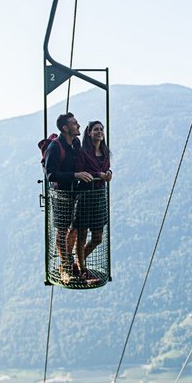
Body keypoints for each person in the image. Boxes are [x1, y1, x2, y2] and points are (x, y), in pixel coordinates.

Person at [44, 112, 92, 283]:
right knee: (62, 230)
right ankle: (65, 266)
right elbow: (50, 175)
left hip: (74, 194)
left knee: (75, 229)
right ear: (65, 128)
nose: (78, 126)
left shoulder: (75, 143)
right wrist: (75, 175)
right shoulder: (56, 147)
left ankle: (68, 262)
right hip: (61, 195)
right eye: (74, 123)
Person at [75, 120, 112, 280]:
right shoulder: (83, 152)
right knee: (82, 234)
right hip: (85, 196)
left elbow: (106, 169)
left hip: (99, 196)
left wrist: (109, 173)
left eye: (101, 129)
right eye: (96, 129)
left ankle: (78, 263)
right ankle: (82, 269)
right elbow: (80, 171)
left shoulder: (105, 153)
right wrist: (99, 175)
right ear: (89, 133)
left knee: (97, 237)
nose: (99, 132)